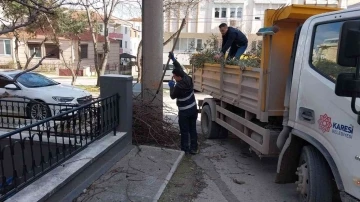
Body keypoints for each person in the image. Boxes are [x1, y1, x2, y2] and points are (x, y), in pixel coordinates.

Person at [167, 52, 199, 155]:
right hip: (193, 109)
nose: (174, 77)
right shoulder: (187, 78)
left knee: (184, 131)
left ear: (178, 77)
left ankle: (185, 149)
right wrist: (174, 60)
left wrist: (171, 86)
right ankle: (194, 148)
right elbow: (179, 68)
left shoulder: (178, 87)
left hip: (184, 112)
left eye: (174, 76)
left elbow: (172, 96)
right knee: (193, 129)